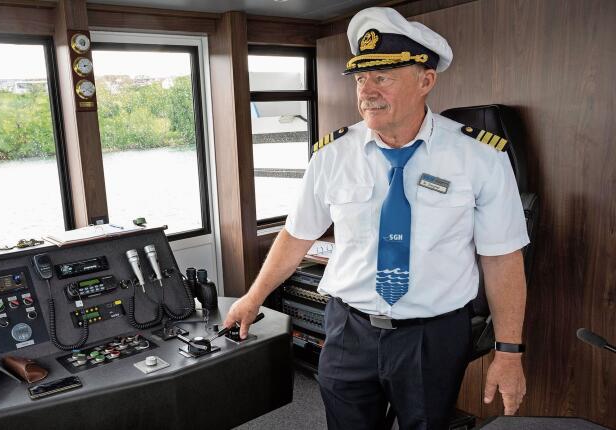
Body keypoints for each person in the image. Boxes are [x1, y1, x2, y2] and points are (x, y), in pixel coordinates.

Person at [223, 7, 529, 429]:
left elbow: (502, 258)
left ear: (426, 80)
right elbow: (296, 237)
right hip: (349, 330)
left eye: (382, 77)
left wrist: (509, 352)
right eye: (361, 78)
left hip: (432, 336)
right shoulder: (332, 155)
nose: (367, 90)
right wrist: (252, 298)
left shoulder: (480, 157)